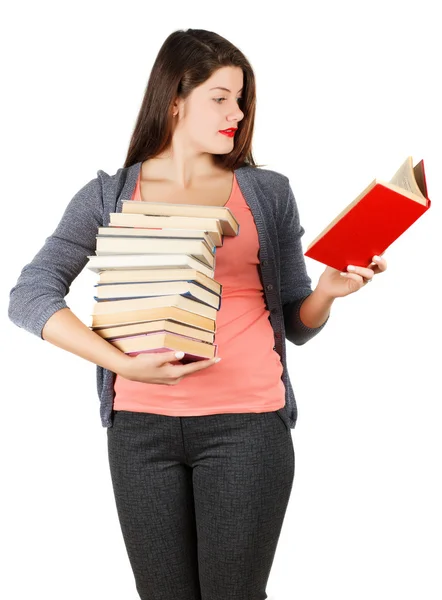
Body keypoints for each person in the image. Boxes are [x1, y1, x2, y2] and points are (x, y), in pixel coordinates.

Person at [8, 28, 387, 600]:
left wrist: (329, 291)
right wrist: (122, 365)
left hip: (247, 428)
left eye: (241, 99)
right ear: (174, 99)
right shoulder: (108, 197)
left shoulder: (266, 192)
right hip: (139, 434)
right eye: (221, 97)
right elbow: (29, 295)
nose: (236, 112)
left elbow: (295, 322)